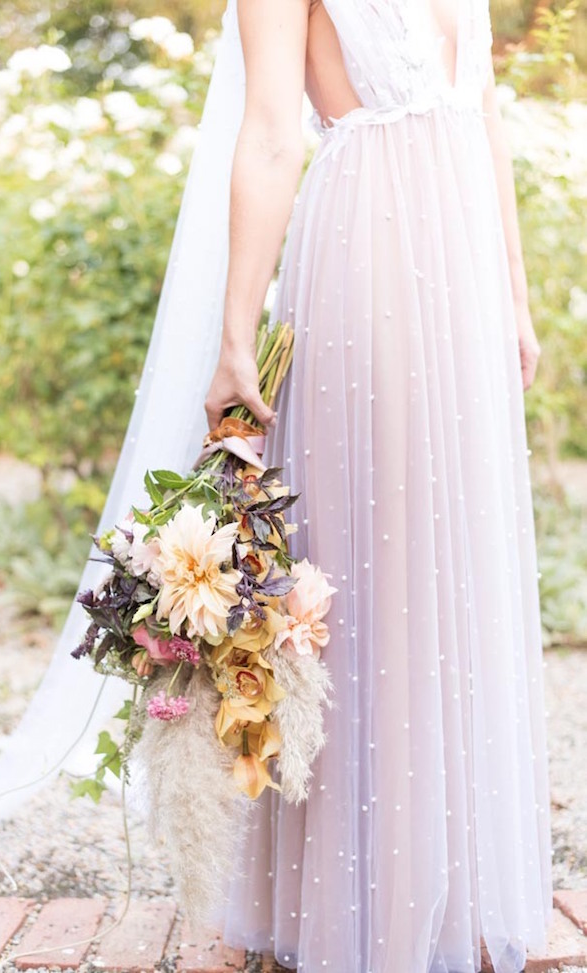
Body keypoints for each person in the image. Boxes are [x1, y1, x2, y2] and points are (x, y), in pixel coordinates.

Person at [204, 1, 554, 971]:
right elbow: (272, 132)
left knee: (457, 565)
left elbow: (478, 114)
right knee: (375, 571)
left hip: (463, 267)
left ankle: (445, 883)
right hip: (368, 249)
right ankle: (361, 905)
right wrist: (236, 336)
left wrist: (513, 302)